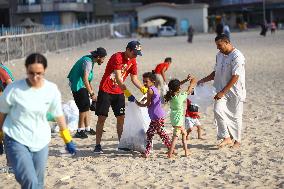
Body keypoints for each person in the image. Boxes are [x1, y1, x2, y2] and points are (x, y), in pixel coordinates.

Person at [0, 53, 76, 189]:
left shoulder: (51, 90)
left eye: (39, 73)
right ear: (26, 70)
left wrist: (67, 139)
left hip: (40, 141)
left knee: (38, 182)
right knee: (30, 181)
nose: (35, 77)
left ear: (45, 71)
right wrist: (0, 136)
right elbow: (2, 115)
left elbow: (59, 116)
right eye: (31, 73)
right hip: (16, 139)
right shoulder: (13, 90)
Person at [94, 41, 147, 153]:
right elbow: (118, 78)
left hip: (118, 92)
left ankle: (121, 144)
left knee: (121, 117)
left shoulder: (133, 61)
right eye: (134, 53)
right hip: (106, 90)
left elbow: (134, 79)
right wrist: (128, 93)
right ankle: (97, 145)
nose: (136, 55)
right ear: (128, 50)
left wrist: (144, 89)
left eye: (137, 53)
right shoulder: (117, 57)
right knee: (102, 118)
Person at [198, 34, 246, 149]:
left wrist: (223, 92)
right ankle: (226, 138)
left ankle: (237, 141)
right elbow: (216, 72)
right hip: (220, 89)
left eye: (219, 45)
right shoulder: (219, 55)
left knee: (236, 116)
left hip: (235, 92)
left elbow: (235, 76)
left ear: (227, 42)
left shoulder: (237, 56)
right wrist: (203, 80)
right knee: (218, 111)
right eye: (216, 46)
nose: (218, 48)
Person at [67, 48, 107, 139]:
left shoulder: (90, 60)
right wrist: (92, 94)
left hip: (82, 85)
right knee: (83, 107)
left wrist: (91, 91)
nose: (103, 60)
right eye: (103, 58)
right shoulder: (88, 62)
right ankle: (79, 131)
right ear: (98, 57)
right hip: (78, 86)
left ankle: (87, 128)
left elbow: (88, 80)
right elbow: (85, 78)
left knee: (87, 106)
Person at [136, 72, 171, 158]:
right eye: (143, 81)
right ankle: (170, 148)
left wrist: (139, 104)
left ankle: (170, 148)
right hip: (157, 115)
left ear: (153, 81)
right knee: (156, 133)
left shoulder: (150, 90)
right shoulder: (154, 88)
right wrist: (145, 98)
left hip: (156, 116)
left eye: (146, 81)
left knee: (156, 133)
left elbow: (148, 103)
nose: (144, 83)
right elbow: (151, 98)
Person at [164, 75, 196, 158]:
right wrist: (192, 83)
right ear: (178, 88)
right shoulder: (180, 97)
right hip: (178, 120)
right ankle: (170, 154)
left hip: (174, 118)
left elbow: (174, 86)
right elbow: (189, 91)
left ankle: (186, 151)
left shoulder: (170, 95)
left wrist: (185, 80)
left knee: (184, 133)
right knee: (175, 138)